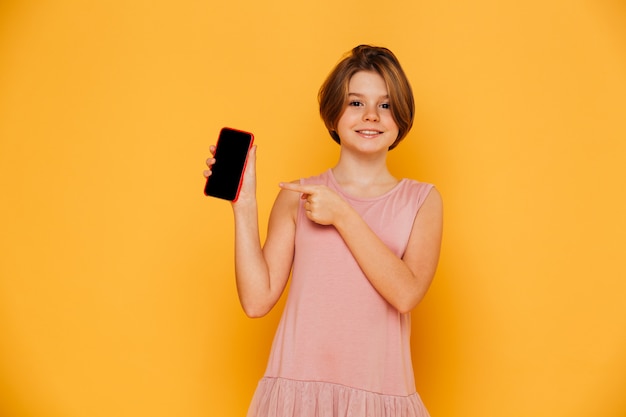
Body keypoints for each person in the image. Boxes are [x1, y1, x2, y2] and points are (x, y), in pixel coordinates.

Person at [204, 45, 443, 417]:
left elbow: (406, 294)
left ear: (401, 117)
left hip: (377, 399)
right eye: (355, 103)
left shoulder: (422, 201)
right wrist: (244, 203)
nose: (371, 116)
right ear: (333, 114)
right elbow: (256, 300)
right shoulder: (296, 197)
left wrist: (342, 214)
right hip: (296, 400)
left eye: (384, 105)